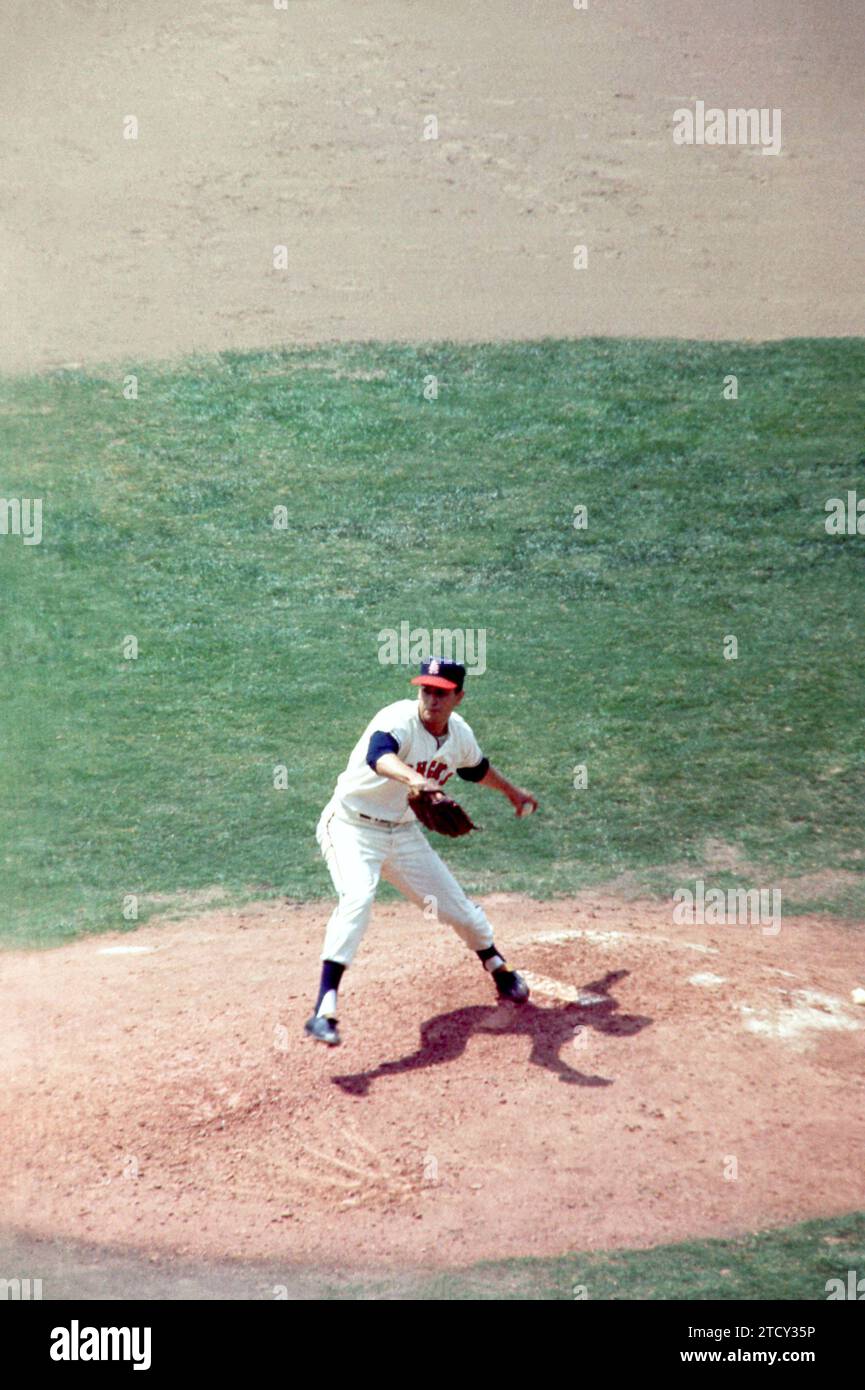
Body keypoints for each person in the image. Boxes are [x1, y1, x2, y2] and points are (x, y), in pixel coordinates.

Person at [305, 657, 539, 1045]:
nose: (431, 699)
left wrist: (512, 791)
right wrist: (418, 781)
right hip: (351, 827)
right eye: (426, 690)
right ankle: (323, 1009)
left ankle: (499, 968)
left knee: (456, 907)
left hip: (403, 834)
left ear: (458, 697)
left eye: (441, 693)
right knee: (358, 898)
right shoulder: (397, 719)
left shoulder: (459, 735)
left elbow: (475, 769)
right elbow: (379, 757)